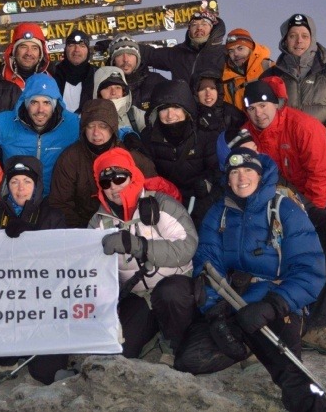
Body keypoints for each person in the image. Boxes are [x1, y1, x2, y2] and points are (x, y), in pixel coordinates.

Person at [175, 148, 326, 412]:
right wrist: (213, 311)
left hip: (276, 303)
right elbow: (206, 263)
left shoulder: (285, 210)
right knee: (189, 360)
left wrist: (273, 305)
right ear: (227, 178)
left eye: (249, 170)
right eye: (234, 172)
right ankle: (250, 348)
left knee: (291, 373)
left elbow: (310, 270)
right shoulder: (219, 213)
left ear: (261, 175)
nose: (241, 178)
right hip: (233, 302)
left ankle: (319, 406)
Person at [263, 14, 326, 318]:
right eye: (292, 36)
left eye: (303, 36)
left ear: (313, 38)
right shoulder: (272, 74)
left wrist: (324, 133)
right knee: (288, 229)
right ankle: (298, 291)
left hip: (325, 164)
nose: (298, 41)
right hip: (283, 168)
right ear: (285, 39)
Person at [241, 78, 326, 354]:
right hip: (281, 192)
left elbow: (321, 176)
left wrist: (308, 217)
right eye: (252, 109)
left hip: (318, 187)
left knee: (324, 239)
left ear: (275, 104)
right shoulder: (247, 135)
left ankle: (321, 324)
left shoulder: (304, 127)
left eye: (263, 106)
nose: (258, 113)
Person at [93, 148, 199, 358]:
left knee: (170, 295)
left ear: (132, 176)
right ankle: (150, 336)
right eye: (106, 182)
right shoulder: (99, 221)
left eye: (119, 177)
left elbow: (187, 246)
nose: (114, 186)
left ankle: (173, 344)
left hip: (175, 286)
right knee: (122, 351)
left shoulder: (161, 203)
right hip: (136, 294)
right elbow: (92, 266)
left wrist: (138, 245)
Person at [0, 156, 69, 384]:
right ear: (6, 186)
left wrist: (31, 242)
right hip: (3, 304)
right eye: (14, 181)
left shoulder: (53, 218)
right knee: (4, 355)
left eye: (27, 182)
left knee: (47, 372)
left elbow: (65, 266)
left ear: (37, 186)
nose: (20, 188)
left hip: (44, 306)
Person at [49, 99, 169, 228]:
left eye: (103, 126)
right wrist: (85, 232)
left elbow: (155, 190)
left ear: (112, 128)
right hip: (85, 228)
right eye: (90, 126)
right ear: (83, 128)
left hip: (132, 224)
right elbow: (60, 203)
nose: (96, 132)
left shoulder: (131, 156)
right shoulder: (70, 159)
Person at [0, 73, 79, 196]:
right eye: (34, 102)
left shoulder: (73, 125)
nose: (40, 110)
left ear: (55, 104)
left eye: (47, 102)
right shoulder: (7, 123)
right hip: (18, 199)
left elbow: (98, 131)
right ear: (25, 103)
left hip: (56, 201)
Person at [141, 80, 221, 228]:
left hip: (198, 200)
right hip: (165, 202)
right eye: (164, 109)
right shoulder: (149, 138)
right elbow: (148, 177)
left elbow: (217, 169)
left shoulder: (204, 134)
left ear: (186, 110)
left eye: (176, 108)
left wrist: (206, 183)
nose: (170, 115)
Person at [138, 9, 226, 85]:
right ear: (189, 29)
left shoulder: (225, 53)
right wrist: (127, 45)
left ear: (212, 28)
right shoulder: (177, 53)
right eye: (194, 24)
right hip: (185, 104)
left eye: (204, 24)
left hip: (216, 103)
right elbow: (149, 54)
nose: (199, 27)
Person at [106, 33, 167, 112]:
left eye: (130, 54)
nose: (125, 59)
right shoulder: (102, 85)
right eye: (120, 55)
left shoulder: (157, 82)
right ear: (113, 61)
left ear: (138, 58)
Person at [221, 28, 273, 110]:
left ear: (251, 48)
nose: (236, 54)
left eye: (240, 48)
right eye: (231, 51)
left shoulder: (269, 67)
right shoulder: (225, 78)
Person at [53, 29, 97, 113]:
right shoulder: (53, 74)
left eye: (82, 45)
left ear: (88, 51)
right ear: (65, 50)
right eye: (72, 45)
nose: (76, 49)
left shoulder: (97, 75)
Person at [93, 66, 147, 133]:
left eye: (118, 87)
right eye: (107, 87)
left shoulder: (135, 115)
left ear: (123, 91)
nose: (113, 92)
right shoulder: (89, 119)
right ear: (98, 92)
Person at [0, 23, 52, 89]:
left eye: (34, 48)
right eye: (23, 47)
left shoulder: (48, 80)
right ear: (14, 51)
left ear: (40, 53)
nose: (29, 53)